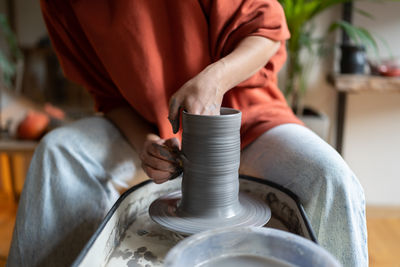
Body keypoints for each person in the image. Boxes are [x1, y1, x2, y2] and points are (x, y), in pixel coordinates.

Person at [7, 0, 367, 266]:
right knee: (58, 151)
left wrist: (214, 79)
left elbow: (266, 33)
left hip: (246, 114)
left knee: (330, 177)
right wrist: (144, 143)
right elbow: (108, 95)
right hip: (147, 122)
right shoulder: (61, 5)